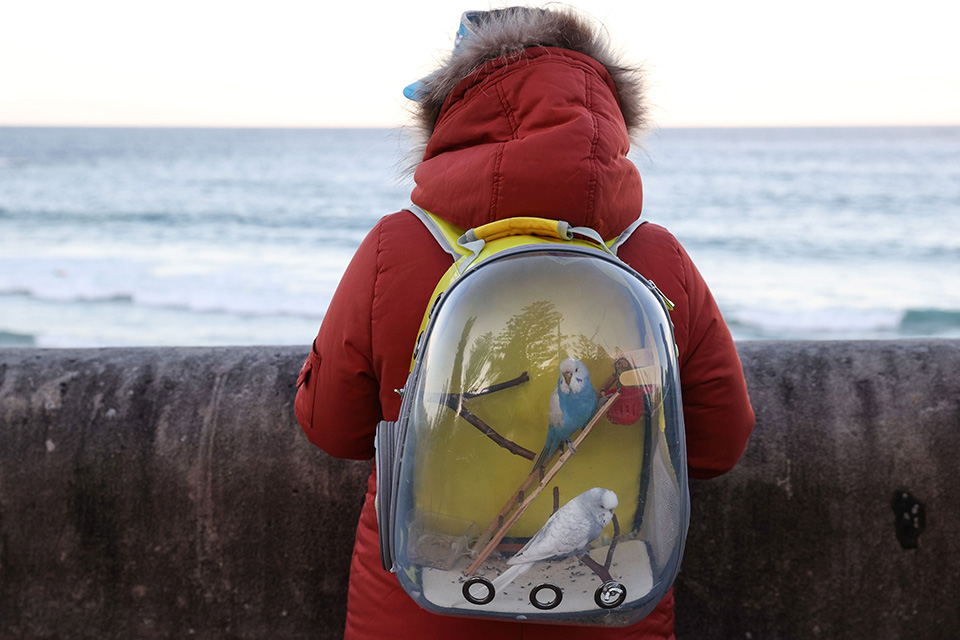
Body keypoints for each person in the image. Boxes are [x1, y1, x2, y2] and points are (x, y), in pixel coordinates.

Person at [295, 6, 754, 639]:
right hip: (612, 596)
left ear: (450, 108)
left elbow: (331, 429)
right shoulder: (655, 258)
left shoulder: (394, 248)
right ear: (610, 109)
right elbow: (717, 445)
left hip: (419, 608)